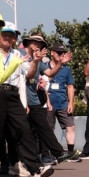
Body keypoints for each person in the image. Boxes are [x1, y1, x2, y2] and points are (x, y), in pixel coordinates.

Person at [0, 23, 54, 177]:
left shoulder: (17, 54)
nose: (8, 38)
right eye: (5, 34)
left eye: (12, 35)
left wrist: (35, 61)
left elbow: (29, 75)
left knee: (24, 130)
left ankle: (36, 168)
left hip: (13, 94)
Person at [23, 34, 69, 165]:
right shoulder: (20, 56)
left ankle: (55, 154)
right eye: (35, 42)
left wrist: (60, 63)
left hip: (35, 100)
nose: (38, 45)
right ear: (28, 42)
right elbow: (29, 75)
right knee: (26, 131)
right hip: (21, 100)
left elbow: (50, 73)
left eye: (40, 44)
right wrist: (35, 61)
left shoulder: (39, 61)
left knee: (42, 128)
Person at [44, 43, 78, 161]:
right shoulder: (45, 66)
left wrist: (71, 103)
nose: (61, 55)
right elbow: (42, 85)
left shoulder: (66, 69)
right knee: (49, 129)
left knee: (70, 126)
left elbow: (70, 86)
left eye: (63, 53)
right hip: (49, 104)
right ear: (52, 52)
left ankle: (70, 153)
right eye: (59, 53)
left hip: (63, 103)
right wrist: (46, 101)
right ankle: (50, 154)